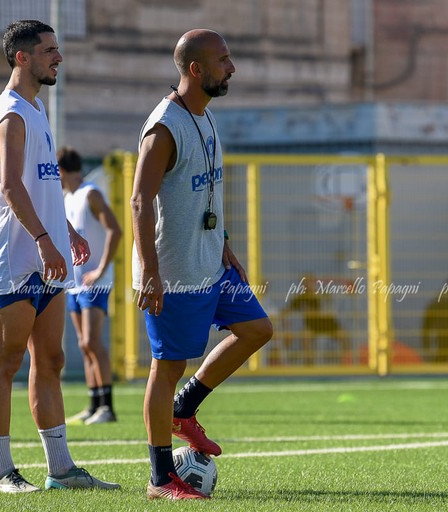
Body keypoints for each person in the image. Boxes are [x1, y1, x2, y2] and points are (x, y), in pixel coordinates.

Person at [131, 29, 273, 500]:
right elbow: (139, 202)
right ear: (196, 69)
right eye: (224, 60)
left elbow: (203, 192)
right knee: (166, 367)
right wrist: (150, 272)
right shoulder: (164, 127)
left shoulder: (205, 117)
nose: (232, 67)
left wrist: (225, 241)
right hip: (174, 273)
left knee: (257, 330)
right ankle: (159, 478)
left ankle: (184, 409)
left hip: (212, 262)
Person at [0, 20, 120, 493]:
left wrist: (68, 229)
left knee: (53, 359)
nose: (58, 57)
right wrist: (43, 238)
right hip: (17, 259)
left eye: (57, 49)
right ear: (23, 57)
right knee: (6, 360)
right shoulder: (12, 113)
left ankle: (61, 470)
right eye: (49, 51)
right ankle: (2, 472)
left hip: (49, 255)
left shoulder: (37, 108)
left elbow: (42, 186)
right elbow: (10, 186)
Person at [57, 147, 122, 426]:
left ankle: (108, 407)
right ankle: (93, 403)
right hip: (74, 282)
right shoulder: (66, 197)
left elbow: (115, 230)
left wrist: (100, 269)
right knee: (84, 346)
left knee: (91, 341)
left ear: (61, 170)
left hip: (95, 282)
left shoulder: (90, 193)